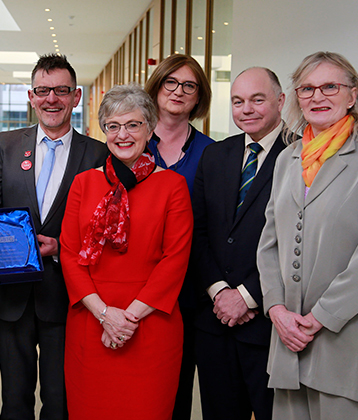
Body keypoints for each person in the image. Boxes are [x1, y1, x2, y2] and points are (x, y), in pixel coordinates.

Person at [257, 51, 358, 420]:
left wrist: (319, 317)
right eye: (307, 89)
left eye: (329, 87)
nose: (317, 97)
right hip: (288, 341)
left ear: (352, 95)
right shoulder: (287, 159)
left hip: (345, 342)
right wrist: (276, 310)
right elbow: (269, 243)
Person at [0, 54, 108, 420]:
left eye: (61, 90)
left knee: (60, 401)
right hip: (11, 296)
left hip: (68, 297)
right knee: (14, 401)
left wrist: (60, 247)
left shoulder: (98, 154)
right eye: (43, 91)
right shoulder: (5, 145)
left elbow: (101, 230)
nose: (52, 99)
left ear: (76, 96)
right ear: (31, 96)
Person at [59, 83, 193, 420]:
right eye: (113, 125)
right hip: (91, 322)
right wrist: (105, 315)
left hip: (150, 326)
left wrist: (126, 319)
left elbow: (175, 259)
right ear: (103, 130)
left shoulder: (173, 185)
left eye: (133, 124)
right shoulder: (83, 183)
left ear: (150, 128)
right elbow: (70, 254)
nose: (123, 134)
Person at [192, 67, 287, 420]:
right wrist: (219, 291)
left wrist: (246, 296)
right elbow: (197, 231)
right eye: (237, 101)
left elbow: (301, 243)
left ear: (281, 101)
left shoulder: (301, 154)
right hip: (214, 323)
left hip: (268, 325)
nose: (246, 109)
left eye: (257, 100)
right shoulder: (215, 155)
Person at [143, 53, 215, 419]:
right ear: (157, 88)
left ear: (199, 96)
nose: (178, 91)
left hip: (190, 292)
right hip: (136, 288)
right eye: (170, 82)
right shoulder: (131, 145)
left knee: (177, 388)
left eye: (189, 85)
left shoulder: (213, 154)